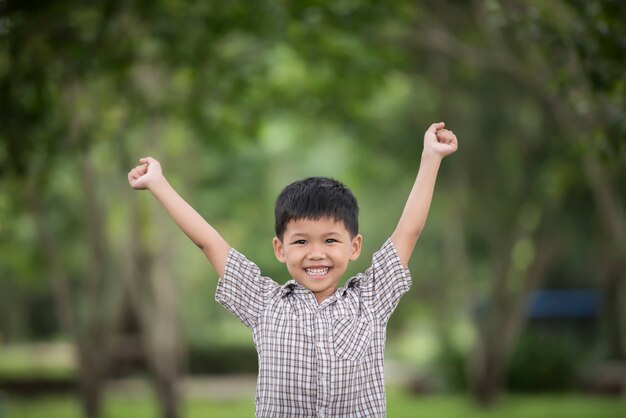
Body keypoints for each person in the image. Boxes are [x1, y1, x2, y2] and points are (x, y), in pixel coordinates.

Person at [128, 122, 458, 417]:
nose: (316, 254)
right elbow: (210, 242)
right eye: (301, 242)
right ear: (280, 249)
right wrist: (158, 184)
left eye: (330, 240)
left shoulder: (370, 300)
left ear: (354, 246)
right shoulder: (263, 303)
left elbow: (408, 231)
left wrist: (431, 158)